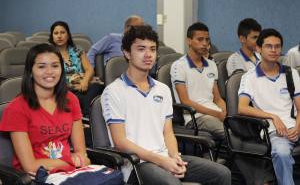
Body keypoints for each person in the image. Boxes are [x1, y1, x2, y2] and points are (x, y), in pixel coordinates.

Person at [101, 25, 231, 185]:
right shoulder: (113, 91)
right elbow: (120, 142)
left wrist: (175, 156)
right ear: (127, 53)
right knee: (172, 183)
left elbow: (168, 132)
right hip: (136, 164)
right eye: (141, 49)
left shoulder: (162, 89)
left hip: (165, 157)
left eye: (153, 49)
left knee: (222, 173)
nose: (148, 55)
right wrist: (162, 161)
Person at [0, 43, 91, 180]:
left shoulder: (71, 100)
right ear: (30, 71)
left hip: (69, 173)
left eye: (55, 66)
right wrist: (69, 162)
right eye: (42, 66)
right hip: (35, 178)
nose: (49, 72)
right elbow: (30, 166)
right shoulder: (17, 108)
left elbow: (82, 154)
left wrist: (77, 161)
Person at [238, 28, 300, 185]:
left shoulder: (290, 73)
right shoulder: (249, 77)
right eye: (269, 46)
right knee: (281, 153)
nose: (274, 50)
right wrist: (273, 116)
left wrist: (298, 127)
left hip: (296, 125)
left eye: (277, 46)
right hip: (275, 129)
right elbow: (242, 108)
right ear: (259, 48)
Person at [170, 22, 227, 140]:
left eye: (207, 40)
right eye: (200, 39)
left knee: (239, 127)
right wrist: (216, 114)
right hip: (195, 118)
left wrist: (225, 113)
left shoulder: (211, 65)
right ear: (189, 41)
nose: (205, 43)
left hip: (214, 114)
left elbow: (217, 99)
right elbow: (185, 101)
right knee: (228, 134)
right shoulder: (179, 66)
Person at [49, 21, 102, 117]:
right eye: (56, 33)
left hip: (82, 85)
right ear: (52, 36)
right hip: (63, 88)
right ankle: (86, 116)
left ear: (68, 35)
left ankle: (86, 117)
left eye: (62, 32)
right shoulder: (49, 54)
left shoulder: (77, 50)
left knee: (97, 87)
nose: (59, 36)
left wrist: (85, 81)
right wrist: (73, 87)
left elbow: (89, 69)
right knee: (78, 98)